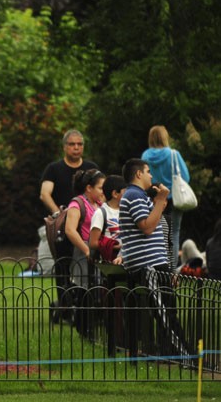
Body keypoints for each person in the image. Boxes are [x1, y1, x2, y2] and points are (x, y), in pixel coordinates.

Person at [118, 158, 191, 360]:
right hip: (148, 266)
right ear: (139, 174)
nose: (151, 175)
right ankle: (188, 357)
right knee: (166, 315)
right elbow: (147, 227)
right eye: (148, 171)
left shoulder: (139, 196)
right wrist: (160, 201)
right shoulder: (133, 195)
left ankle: (174, 353)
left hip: (155, 265)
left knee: (167, 312)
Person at [40, 129, 98, 319]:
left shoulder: (91, 168)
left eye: (79, 144)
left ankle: (87, 306)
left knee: (90, 267)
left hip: (89, 225)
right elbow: (45, 193)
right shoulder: (54, 169)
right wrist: (58, 214)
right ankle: (64, 307)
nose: (76, 147)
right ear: (64, 147)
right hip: (64, 227)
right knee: (63, 266)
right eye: (72, 144)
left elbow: (100, 191)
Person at [141, 125, 192, 267]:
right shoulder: (173, 154)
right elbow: (186, 177)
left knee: (156, 233)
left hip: (155, 199)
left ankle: (157, 266)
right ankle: (172, 270)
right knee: (174, 233)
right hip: (174, 199)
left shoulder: (145, 156)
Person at [63, 168, 105, 338]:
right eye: (101, 188)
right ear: (89, 188)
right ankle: (84, 329)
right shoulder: (77, 204)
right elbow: (70, 230)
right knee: (84, 290)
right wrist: (87, 249)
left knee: (96, 289)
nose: (103, 191)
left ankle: (91, 327)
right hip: (84, 251)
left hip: (98, 250)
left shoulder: (100, 204)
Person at [89, 175, 127, 264]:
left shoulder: (126, 211)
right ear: (115, 194)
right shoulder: (100, 213)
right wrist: (114, 246)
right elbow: (93, 243)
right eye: (125, 192)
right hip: (108, 262)